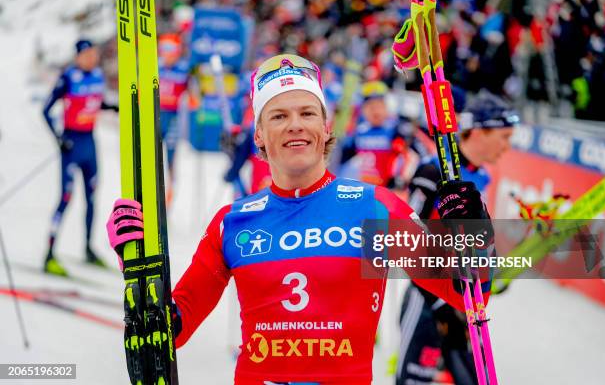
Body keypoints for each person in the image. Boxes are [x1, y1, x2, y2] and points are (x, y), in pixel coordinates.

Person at [107, 54, 493, 384]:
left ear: (325, 128)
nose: (295, 124)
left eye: (307, 112)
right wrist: (137, 268)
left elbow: (467, 293)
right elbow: (169, 332)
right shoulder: (233, 222)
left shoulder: (374, 207)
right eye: (278, 115)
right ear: (259, 134)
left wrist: (475, 232)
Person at [395, 91, 519, 385]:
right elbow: (406, 244)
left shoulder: (481, 176)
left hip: (465, 307)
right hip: (428, 302)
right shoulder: (432, 171)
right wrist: (441, 308)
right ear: (478, 131)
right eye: (504, 137)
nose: (508, 147)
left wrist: (492, 273)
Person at [42, 39, 118, 276]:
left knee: (92, 197)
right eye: (86, 54)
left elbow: (96, 102)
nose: (91, 58)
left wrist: (113, 107)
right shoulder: (68, 78)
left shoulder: (97, 75)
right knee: (66, 197)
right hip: (72, 143)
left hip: (89, 143)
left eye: (93, 54)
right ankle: (49, 254)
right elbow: (45, 110)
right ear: (78, 56)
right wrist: (59, 138)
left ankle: (87, 248)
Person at [339, 81, 409, 187]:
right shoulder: (357, 133)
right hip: (363, 188)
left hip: (387, 188)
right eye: (371, 107)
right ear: (363, 110)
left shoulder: (396, 130)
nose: (375, 111)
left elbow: (406, 159)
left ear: (386, 107)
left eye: (379, 106)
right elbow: (343, 165)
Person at [157, 33, 191, 202]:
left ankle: (168, 194)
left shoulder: (183, 69)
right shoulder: (156, 66)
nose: (167, 53)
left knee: (170, 158)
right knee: (152, 156)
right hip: (156, 116)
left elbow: (194, 95)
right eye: (164, 49)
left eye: (171, 49)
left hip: (173, 119)